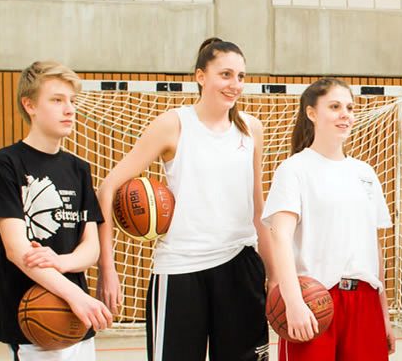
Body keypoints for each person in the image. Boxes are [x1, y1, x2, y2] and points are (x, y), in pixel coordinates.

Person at [96, 38, 274, 361]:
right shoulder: (173, 125)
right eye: (225, 74)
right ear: (200, 76)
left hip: (241, 266)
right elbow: (107, 189)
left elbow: (257, 208)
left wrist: (274, 275)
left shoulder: (252, 129)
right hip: (181, 270)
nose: (235, 85)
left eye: (241, 76)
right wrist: (107, 267)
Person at [0, 61, 114, 360]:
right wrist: (75, 295)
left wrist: (62, 262)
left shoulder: (79, 169)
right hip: (34, 322)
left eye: (72, 101)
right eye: (56, 100)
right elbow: (16, 249)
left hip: (78, 320)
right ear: (30, 105)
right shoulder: (4, 165)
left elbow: (90, 248)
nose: (69, 109)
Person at [263, 78, 396, 360]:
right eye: (334, 106)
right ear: (311, 113)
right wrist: (293, 301)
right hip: (316, 300)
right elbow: (280, 237)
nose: (345, 114)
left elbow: (374, 248)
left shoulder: (365, 173)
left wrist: (383, 314)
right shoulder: (294, 169)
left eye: (349, 107)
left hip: (365, 300)